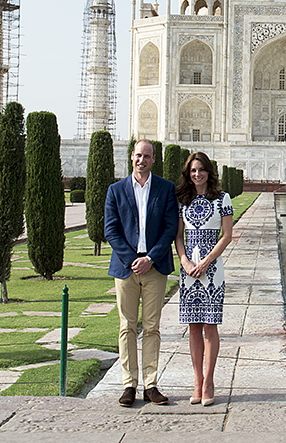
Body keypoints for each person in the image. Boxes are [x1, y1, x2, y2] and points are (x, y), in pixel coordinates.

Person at [104, 139, 179, 407]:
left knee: (152, 327)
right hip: (126, 268)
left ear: (153, 159)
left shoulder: (165, 189)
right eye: (138, 155)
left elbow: (170, 228)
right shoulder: (116, 190)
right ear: (131, 157)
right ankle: (128, 384)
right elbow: (111, 230)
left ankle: (150, 383)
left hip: (155, 266)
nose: (141, 160)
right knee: (126, 326)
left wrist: (150, 258)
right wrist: (132, 259)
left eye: (147, 156)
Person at [174, 151, 233, 407]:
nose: (197, 174)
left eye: (201, 170)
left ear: (209, 171)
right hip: (188, 271)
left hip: (212, 269)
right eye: (193, 171)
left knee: (210, 326)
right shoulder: (182, 200)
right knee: (193, 327)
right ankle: (197, 381)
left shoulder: (222, 199)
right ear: (188, 174)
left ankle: (209, 381)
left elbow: (227, 236)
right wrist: (185, 262)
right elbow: (178, 237)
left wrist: (206, 262)